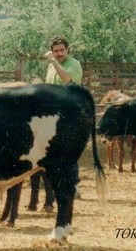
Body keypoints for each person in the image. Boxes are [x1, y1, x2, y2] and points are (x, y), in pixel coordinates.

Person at [44, 35, 82, 198]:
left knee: (68, 150)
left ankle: (73, 186)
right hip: (52, 112)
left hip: (68, 112)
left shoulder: (74, 64)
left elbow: (67, 79)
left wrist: (53, 61)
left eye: (61, 50)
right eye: (55, 51)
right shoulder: (52, 66)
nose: (59, 53)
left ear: (67, 50)